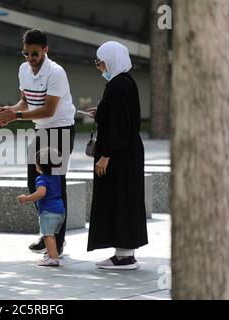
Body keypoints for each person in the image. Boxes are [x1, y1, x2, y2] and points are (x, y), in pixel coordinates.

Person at [0, 29, 76, 257]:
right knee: (34, 180)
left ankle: (57, 242)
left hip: (60, 128)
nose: (30, 59)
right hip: (42, 129)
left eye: (34, 54)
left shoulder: (56, 73)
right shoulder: (23, 69)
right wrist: (9, 110)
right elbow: (25, 102)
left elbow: (49, 110)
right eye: (25, 54)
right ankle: (48, 232)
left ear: (45, 50)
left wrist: (15, 117)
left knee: (55, 184)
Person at [87, 41, 148, 270]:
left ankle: (124, 255)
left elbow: (120, 126)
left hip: (120, 156)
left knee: (122, 198)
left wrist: (106, 156)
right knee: (123, 198)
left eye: (100, 62)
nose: (99, 67)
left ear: (110, 60)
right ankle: (124, 252)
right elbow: (119, 117)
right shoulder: (123, 83)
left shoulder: (119, 85)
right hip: (125, 153)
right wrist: (101, 112)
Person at [17, 148, 65, 267]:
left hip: (49, 211)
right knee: (52, 235)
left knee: (47, 235)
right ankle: (51, 255)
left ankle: (53, 258)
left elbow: (41, 193)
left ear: (39, 165)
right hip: (60, 210)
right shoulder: (57, 176)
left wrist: (26, 198)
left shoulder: (41, 179)